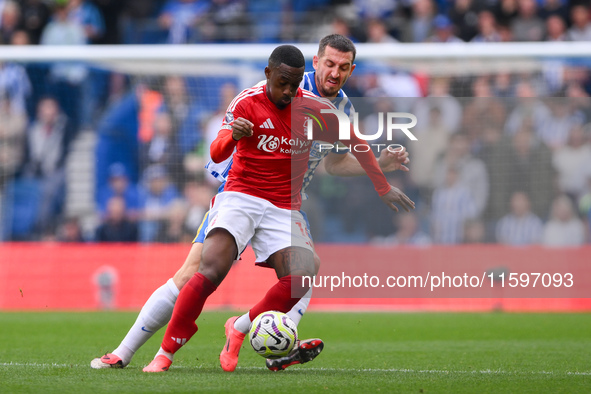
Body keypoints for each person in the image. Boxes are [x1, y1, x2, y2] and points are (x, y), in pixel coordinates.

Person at [91, 35, 412, 372]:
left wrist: (379, 164)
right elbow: (223, 145)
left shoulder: (340, 108)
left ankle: (267, 339)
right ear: (315, 63)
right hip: (241, 189)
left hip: (286, 201)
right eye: (329, 64)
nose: (334, 73)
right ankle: (125, 352)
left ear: (351, 71)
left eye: (343, 68)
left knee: (303, 274)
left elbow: (334, 162)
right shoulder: (281, 84)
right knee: (192, 274)